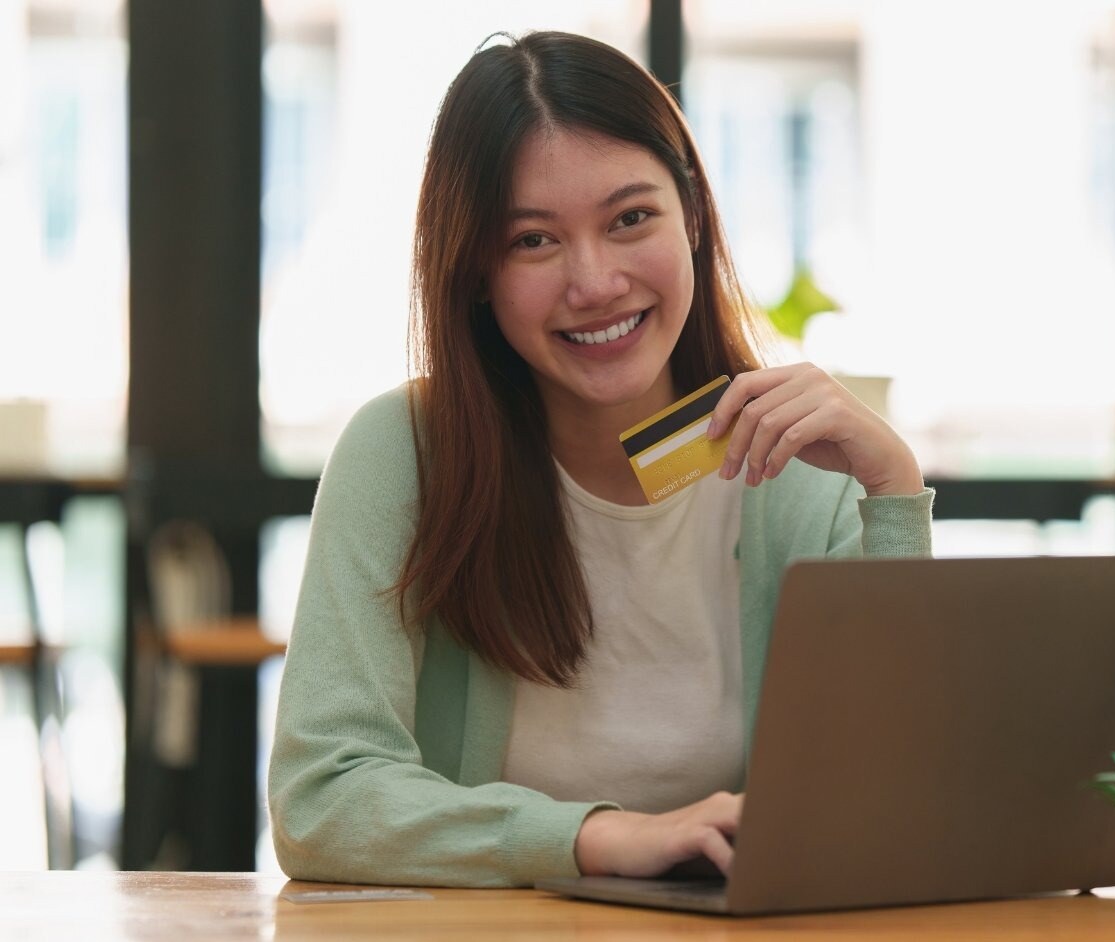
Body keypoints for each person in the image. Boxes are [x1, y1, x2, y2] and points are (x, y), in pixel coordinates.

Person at [267, 31, 933, 888]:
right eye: (533, 242)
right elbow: (322, 800)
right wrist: (594, 840)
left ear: (692, 215)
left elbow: (897, 807)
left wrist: (893, 491)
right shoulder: (406, 454)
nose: (595, 282)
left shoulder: (803, 466)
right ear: (477, 271)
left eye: (630, 219)